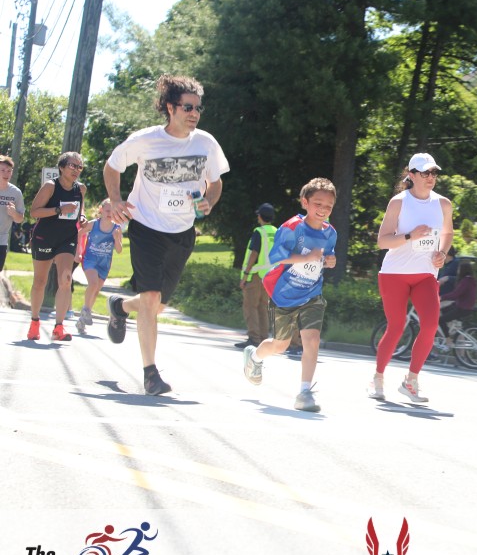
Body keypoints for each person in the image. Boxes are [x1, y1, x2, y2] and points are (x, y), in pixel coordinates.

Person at [103, 73, 229, 396]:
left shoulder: (206, 143)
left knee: (156, 305)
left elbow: (215, 183)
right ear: (170, 108)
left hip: (182, 232)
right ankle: (150, 374)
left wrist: (209, 201)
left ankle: (120, 307)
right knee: (150, 298)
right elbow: (112, 166)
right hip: (146, 227)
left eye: (198, 108)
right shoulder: (145, 140)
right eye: (188, 107)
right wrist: (115, 200)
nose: (194, 114)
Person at [241, 178, 338, 413]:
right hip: (284, 294)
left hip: (312, 294)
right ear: (305, 202)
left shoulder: (331, 233)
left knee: (312, 341)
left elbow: (327, 255)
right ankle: (254, 357)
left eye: (328, 206)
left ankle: (305, 392)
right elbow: (276, 258)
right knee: (280, 345)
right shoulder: (292, 227)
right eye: (318, 204)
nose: (323, 209)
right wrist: (305, 258)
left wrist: (330, 261)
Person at [369, 153, 454, 403]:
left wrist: (442, 253)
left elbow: (448, 232)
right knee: (396, 327)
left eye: (433, 173)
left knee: (430, 325)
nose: (431, 177)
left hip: (426, 274)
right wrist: (409, 236)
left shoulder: (443, 204)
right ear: (412, 175)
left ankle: (411, 381)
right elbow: (382, 241)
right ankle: (378, 377)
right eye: (425, 173)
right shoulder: (399, 202)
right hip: (394, 274)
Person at [26, 152, 87, 342]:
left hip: (67, 238)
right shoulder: (50, 186)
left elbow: (80, 209)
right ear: (61, 167)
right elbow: (34, 212)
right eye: (72, 166)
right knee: (40, 281)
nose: (76, 170)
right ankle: (34, 322)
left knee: (66, 280)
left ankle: (59, 327)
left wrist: (82, 217)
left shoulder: (81, 188)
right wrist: (59, 210)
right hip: (45, 237)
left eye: (79, 167)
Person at [75, 199, 124, 335]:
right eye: (107, 211)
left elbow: (119, 250)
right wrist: (78, 251)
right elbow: (79, 233)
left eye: (112, 211)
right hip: (90, 260)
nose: (109, 214)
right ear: (101, 210)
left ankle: (82, 320)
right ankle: (86, 310)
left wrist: (116, 238)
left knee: (95, 291)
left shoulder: (116, 228)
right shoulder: (93, 224)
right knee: (93, 283)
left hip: (104, 264)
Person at [235, 203, 277, 349]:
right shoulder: (276, 232)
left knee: (250, 307)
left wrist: (245, 275)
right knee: (262, 307)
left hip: (256, 275)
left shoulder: (259, 232)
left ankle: (254, 338)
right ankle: (263, 338)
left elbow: (254, 253)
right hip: (269, 276)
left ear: (260, 216)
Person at [439, 260, 477, 338]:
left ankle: (448, 339)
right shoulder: (470, 280)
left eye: (459, 269)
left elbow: (455, 294)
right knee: (445, 308)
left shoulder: (465, 281)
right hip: (465, 306)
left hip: (463, 308)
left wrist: (441, 297)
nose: (458, 271)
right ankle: (452, 330)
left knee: (440, 320)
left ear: (463, 270)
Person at [0, 154, 25, 270]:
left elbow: (20, 219)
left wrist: (14, 213)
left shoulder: (16, 193)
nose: (6, 174)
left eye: (9, 171)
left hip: (2, 239)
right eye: (2, 170)